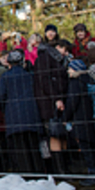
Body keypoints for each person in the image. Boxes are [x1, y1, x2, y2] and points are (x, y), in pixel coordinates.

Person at [0, 49, 44, 173]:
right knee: (33, 147)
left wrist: (6, 110)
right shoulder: (30, 75)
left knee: (20, 149)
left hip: (14, 116)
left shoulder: (5, 77)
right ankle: (38, 173)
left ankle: (26, 174)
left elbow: (0, 96)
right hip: (31, 114)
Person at [33, 39, 71, 174]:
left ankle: (64, 166)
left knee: (60, 134)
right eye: (64, 50)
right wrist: (56, 98)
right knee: (54, 135)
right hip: (49, 103)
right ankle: (60, 170)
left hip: (56, 101)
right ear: (57, 47)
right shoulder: (45, 59)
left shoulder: (54, 59)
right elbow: (45, 81)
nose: (65, 53)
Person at [65, 59, 95, 180]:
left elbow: (72, 102)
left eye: (70, 68)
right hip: (91, 118)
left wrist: (65, 116)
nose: (68, 71)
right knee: (93, 147)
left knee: (86, 147)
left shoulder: (75, 83)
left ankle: (93, 174)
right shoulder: (89, 81)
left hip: (80, 118)